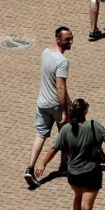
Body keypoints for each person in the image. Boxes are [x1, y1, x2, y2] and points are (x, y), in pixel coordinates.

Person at [23, 26, 73, 187]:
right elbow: (60, 87)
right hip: (56, 105)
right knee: (65, 134)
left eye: (71, 38)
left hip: (42, 102)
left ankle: (29, 168)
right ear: (58, 39)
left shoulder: (45, 52)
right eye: (67, 39)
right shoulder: (62, 61)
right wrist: (64, 110)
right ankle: (63, 166)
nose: (70, 41)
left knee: (40, 134)